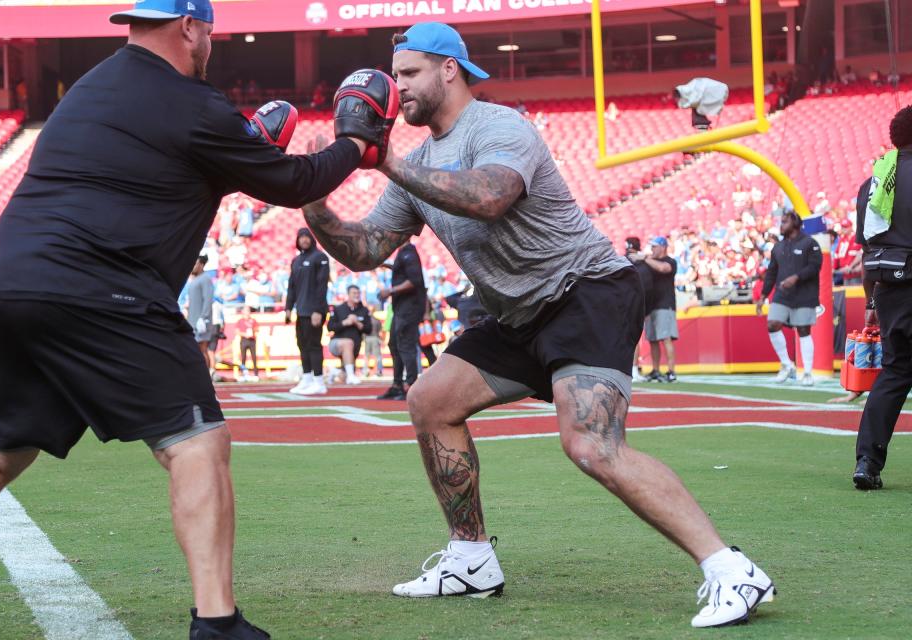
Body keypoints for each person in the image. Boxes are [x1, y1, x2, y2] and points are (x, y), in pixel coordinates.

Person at [301, 21, 773, 628]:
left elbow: (491, 194)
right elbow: (365, 249)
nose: (400, 89)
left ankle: (731, 569)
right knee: (430, 400)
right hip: (516, 311)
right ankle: (471, 559)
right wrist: (310, 192)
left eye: (410, 73)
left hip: (588, 291)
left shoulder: (499, 126)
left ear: (450, 69)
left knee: (591, 445)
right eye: (395, 77)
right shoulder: (417, 162)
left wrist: (387, 160)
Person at [0, 0, 373, 636]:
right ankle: (217, 622)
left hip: (10, 284)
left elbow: (155, 178)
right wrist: (356, 145)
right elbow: (295, 182)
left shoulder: (91, 87)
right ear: (191, 27)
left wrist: (237, 153)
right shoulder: (191, 104)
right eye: (209, 32)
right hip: (100, 289)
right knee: (197, 442)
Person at [852, 105, 912, 490]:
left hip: (888, 288)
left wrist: (871, 304)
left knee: (894, 372)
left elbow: (865, 252)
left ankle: (867, 463)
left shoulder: (874, 181)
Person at [756, 211, 822, 386]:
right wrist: (763, 295)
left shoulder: (810, 243)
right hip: (782, 294)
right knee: (772, 324)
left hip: (804, 293)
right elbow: (771, 273)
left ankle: (807, 372)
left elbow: (815, 267)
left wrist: (796, 277)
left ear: (795, 223)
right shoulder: (778, 247)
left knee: (803, 330)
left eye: (785, 222)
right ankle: (787, 365)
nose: (781, 225)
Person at [376, 242, 426, 400]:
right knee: (394, 344)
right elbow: (407, 272)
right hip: (401, 308)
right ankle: (397, 385)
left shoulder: (408, 252)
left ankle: (411, 385)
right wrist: (388, 265)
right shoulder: (403, 253)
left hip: (409, 308)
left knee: (405, 345)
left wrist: (390, 290)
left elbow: (414, 280)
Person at [285, 228, 330, 395]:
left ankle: (319, 381)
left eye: (306, 237)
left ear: (312, 238)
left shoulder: (320, 257)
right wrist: (288, 308)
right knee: (302, 345)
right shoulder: (296, 260)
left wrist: (318, 310)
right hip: (301, 310)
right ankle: (307, 378)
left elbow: (322, 285)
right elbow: (292, 287)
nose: (304, 240)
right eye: (301, 237)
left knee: (314, 345)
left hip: (314, 311)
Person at [643, 237, 678, 382]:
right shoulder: (651, 262)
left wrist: (645, 259)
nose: (652, 250)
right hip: (651, 306)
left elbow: (663, 268)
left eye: (654, 247)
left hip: (665, 304)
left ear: (663, 247)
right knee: (653, 340)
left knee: (666, 338)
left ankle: (671, 371)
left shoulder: (670, 261)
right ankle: (656, 370)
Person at [326, 284, 372, 384]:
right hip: (337, 343)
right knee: (348, 343)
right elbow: (330, 327)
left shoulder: (364, 310)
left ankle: (335, 372)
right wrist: (345, 322)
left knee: (344, 378)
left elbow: (369, 329)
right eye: (354, 293)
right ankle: (351, 375)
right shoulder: (338, 309)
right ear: (348, 295)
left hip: (355, 348)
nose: (357, 295)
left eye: (358, 293)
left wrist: (357, 323)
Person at [624, 236, 654, 382]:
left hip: (626, 305)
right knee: (633, 339)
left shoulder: (624, 261)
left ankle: (632, 369)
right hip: (634, 305)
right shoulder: (642, 264)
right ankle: (632, 370)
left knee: (630, 339)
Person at [187, 255, 214, 366]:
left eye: (195, 263)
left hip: (201, 322)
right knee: (196, 351)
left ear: (201, 265)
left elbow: (208, 299)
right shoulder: (195, 280)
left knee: (202, 350)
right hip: (193, 321)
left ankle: (206, 378)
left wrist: (203, 318)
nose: (193, 266)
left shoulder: (205, 279)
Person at [236, 305, 259, 381]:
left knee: (254, 357)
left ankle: (256, 374)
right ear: (243, 312)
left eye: (248, 311)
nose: (247, 312)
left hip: (252, 340)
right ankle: (243, 374)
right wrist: (245, 334)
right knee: (243, 358)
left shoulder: (253, 320)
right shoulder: (240, 321)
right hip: (244, 340)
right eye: (246, 310)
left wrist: (253, 333)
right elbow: (237, 331)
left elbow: (257, 329)